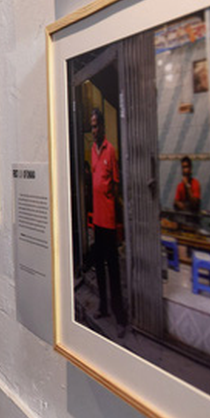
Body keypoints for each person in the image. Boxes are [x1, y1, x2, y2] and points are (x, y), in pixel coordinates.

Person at [89, 108, 126, 336]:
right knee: (99, 267)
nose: (93, 130)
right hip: (97, 222)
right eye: (91, 126)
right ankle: (103, 307)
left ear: (102, 126)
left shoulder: (110, 150)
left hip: (110, 222)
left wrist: (108, 199)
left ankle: (119, 315)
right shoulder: (92, 151)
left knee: (113, 269)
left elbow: (115, 182)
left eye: (96, 126)